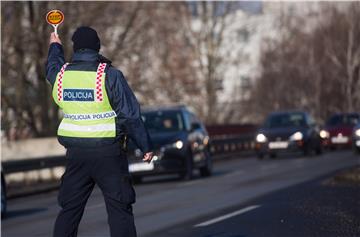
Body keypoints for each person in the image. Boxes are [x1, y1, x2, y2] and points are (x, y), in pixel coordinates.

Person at [46, 26, 153, 237]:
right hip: (108, 154)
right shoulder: (110, 75)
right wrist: (145, 145)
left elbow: (51, 66)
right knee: (119, 209)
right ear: (97, 47)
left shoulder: (61, 76)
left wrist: (55, 46)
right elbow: (129, 115)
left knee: (69, 210)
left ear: (75, 48)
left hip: (76, 155)